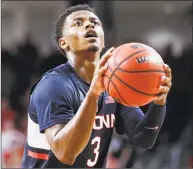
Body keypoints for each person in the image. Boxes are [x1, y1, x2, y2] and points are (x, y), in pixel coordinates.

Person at [21, 4, 172, 168]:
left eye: (95, 22)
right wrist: (93, 95)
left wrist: (158, 103)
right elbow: (65, 153)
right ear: (63, 43)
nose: (89, 25)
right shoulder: (53, 86)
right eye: (78, 23)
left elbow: (143, 138)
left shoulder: (114, 85)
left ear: (103, 40)